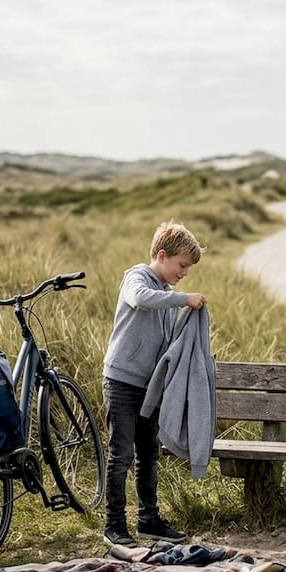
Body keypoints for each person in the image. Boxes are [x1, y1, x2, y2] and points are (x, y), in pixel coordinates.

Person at [101, 221, 207, 547]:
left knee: (148, 454)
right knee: (121, 455)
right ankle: (114, 526)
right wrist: (182, 299)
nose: (184, 272)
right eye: (182, 265)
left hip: (149, 387)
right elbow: (138, 299)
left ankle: (149, 521)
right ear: (162, 255)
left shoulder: (164, 292)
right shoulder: (138, 277)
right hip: (121, 380)